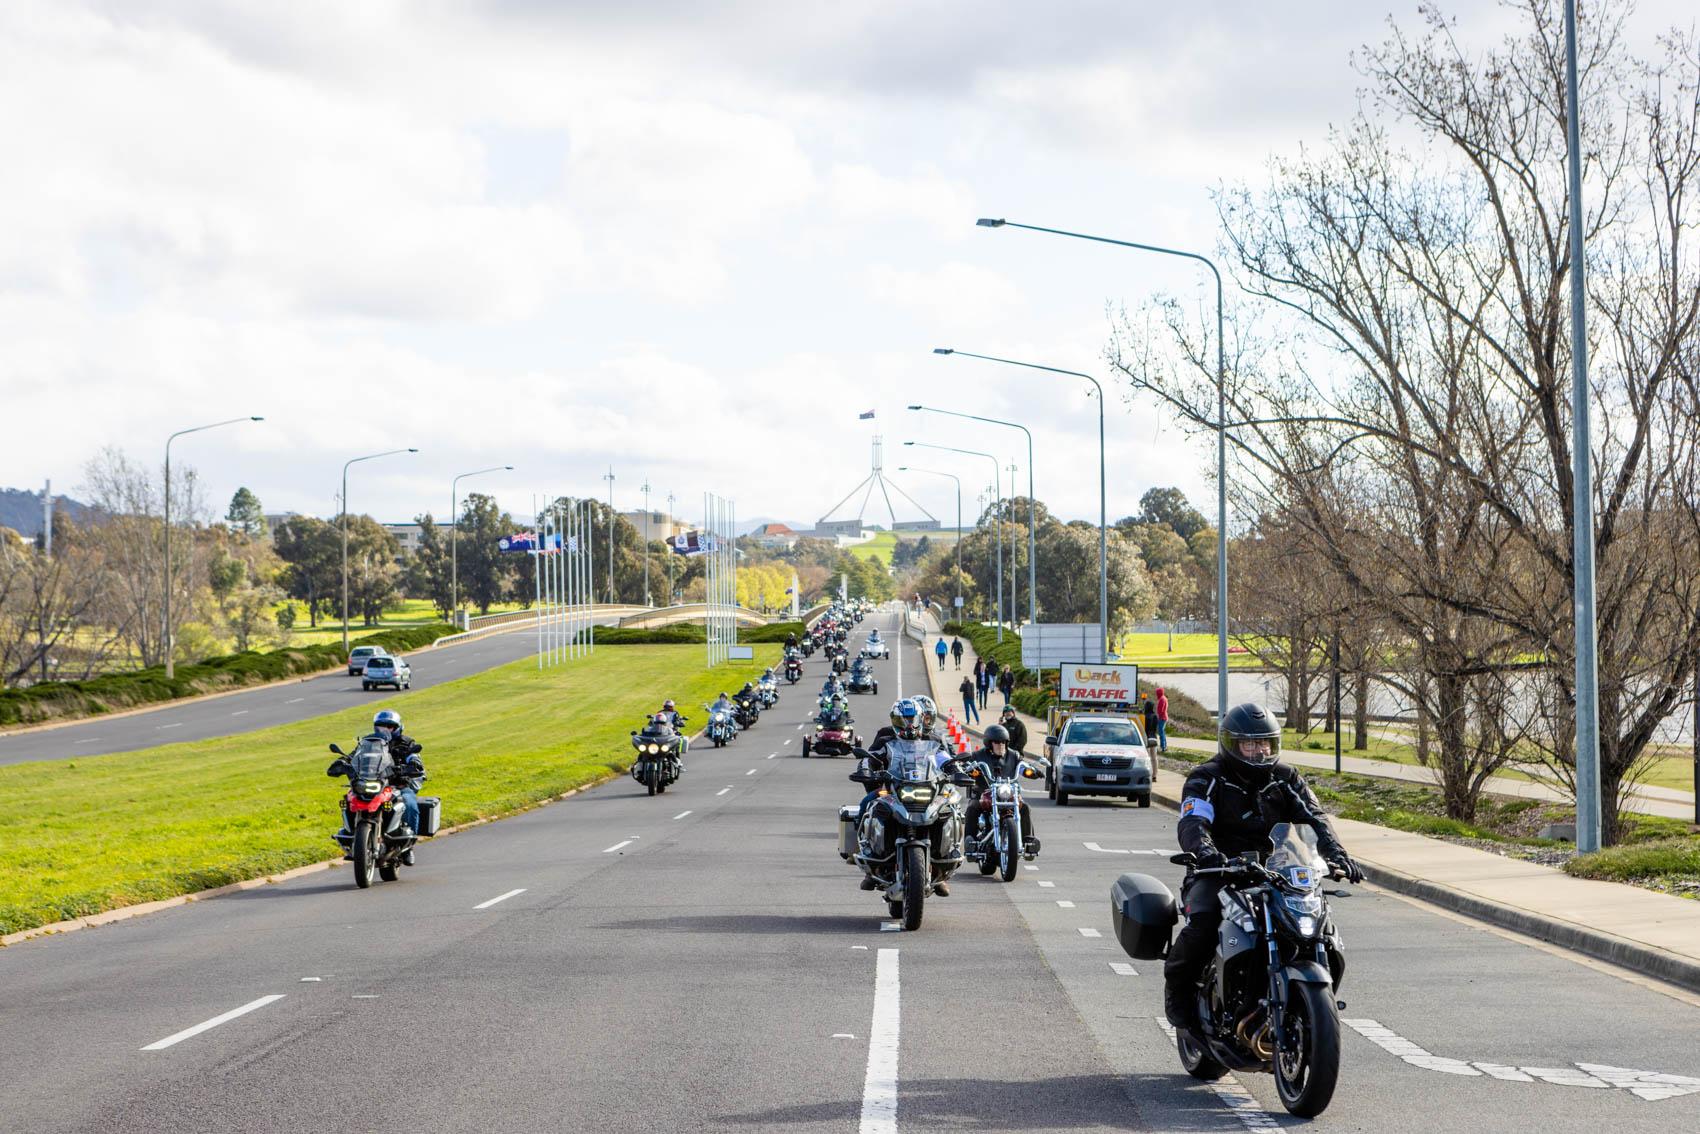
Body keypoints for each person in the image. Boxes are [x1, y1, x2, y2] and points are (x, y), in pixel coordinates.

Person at [1164, 703, 1363, 1032]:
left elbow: (1315, 818)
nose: (1259, 751)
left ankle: (1308, 1005)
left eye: (1266, 744)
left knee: (1317, 926)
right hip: (1220, 870)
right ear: (1231, 744)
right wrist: (1206, 852)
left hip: (1275, 870)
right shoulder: (1207, 777)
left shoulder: (1285, 778)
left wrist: (1337, 855)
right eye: (1250, 744)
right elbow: (1193, 821)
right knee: (1204, 922)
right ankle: (1178, 991)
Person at [962, 725, 1039, 852]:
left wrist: (1032, 771)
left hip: (1008, 795)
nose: (1001, 745)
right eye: (997, 742)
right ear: (989, 743)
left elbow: (1022, 766)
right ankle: (971, 844)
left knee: (1025, 808)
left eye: (1003, 742)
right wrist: (968, 770)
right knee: (972, 807)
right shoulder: (978, 756)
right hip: (984, 794)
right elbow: (968, 766)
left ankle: (1028, 842)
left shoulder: (1014, 755)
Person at [1155, 687, 1170, 754]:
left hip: (1162, 718)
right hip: (1163, 717)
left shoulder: (1162, 699)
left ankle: (1163, 747)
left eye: (1157, 693)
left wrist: (1158, 716)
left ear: (1159, 693)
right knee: (1162, 732)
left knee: (1161, 733)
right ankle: (1164, 746)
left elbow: (1161, 710)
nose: (1156, 694)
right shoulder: (1164, 698)